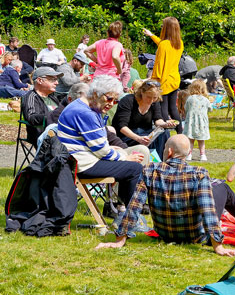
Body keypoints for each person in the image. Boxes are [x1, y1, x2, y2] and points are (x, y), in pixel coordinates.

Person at [94, 135, 235, 256]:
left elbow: (134, 206)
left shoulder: (150, 170)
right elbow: (208, 211)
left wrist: (120, 239)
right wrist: (218, 246)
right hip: (195, 236)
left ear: (169, 151)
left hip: (165, 234)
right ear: (188, 153)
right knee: (222, 187)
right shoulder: (199, 173)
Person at [57, 76, 148, 205]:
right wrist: (124, 157)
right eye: (109, 98)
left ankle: (121, 210)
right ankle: (130, 216)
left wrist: (113, 150)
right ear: (95, 93)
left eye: (115, 101)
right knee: (135, 168)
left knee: (130, 163)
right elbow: (101, 151)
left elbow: (98, 146)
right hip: (81, 165)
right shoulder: (86, 113)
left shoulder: (81, 106)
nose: (111, 104)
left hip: (76, 160)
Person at [112, 79, 175, 159]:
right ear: (142, 92)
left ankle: (161, 161)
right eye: (148, 97)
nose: (151, 100)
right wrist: (138, 138)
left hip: (145, 134)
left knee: (164, 132)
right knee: (142, 134)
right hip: (128, 135)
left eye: (154, 98)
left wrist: (165, 124)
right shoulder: (128, 101)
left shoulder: (154, 103)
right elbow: (121, 126)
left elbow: (157, 119)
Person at [142, 17, 184, 132]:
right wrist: (151, 35)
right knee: (173, 108)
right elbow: (163, 45)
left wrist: (153, 81)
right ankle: (181, 133)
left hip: (164, 81)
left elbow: (159, 65)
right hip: (174, 80)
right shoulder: (179, 43)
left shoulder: (164, 45)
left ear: (167, 28)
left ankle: (165, 133)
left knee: (163, 110)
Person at [20, 67, 61, 142]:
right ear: (40, 80)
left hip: (59, 134)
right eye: (53, 79)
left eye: (56, 79)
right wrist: (52, 116)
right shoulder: (31, 97)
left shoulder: (53, 98)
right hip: (43, 136)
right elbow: (31, 118)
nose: (57, 83)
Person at [181, 79, 214, 161]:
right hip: (202, 123)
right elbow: (210, 109)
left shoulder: (190, 98)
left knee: (190, 140)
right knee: (201, 140)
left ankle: (189, 154)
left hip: (191, 123)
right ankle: (202, 155)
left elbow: (186, 108)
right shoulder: (205, 100)